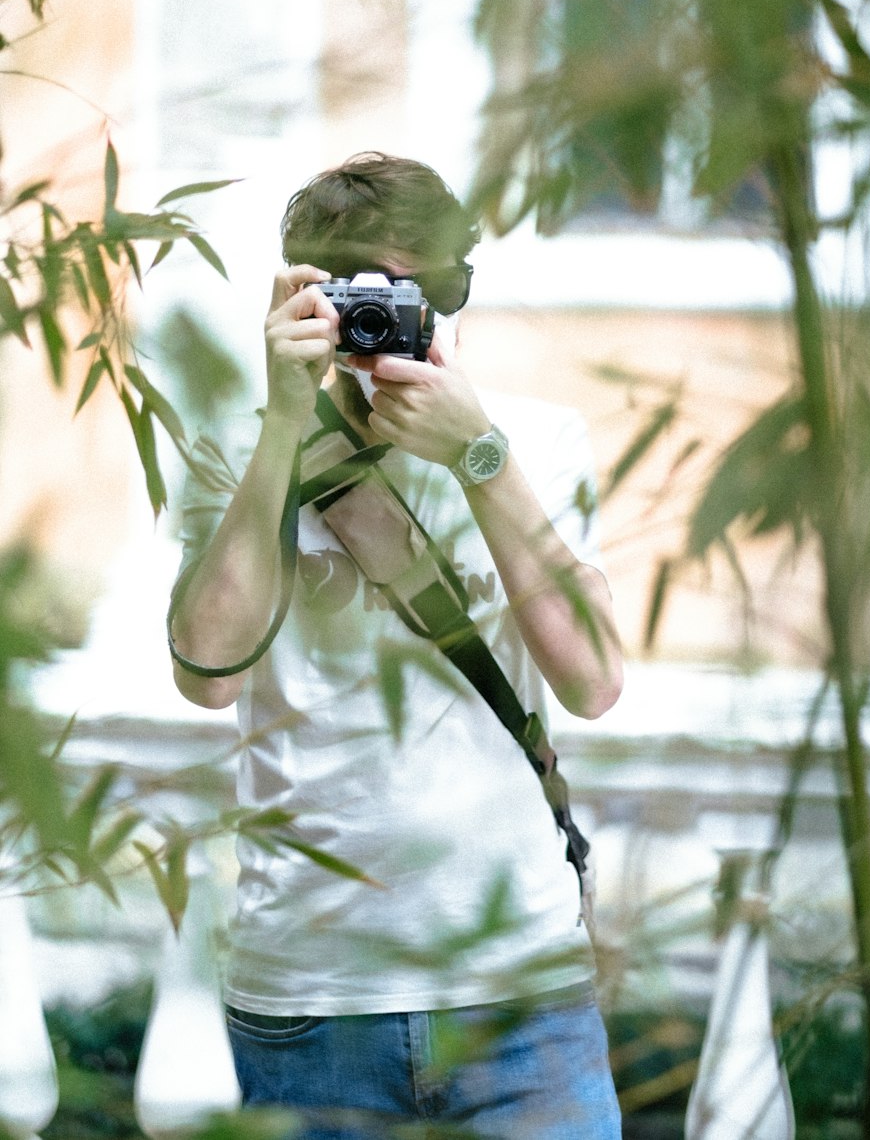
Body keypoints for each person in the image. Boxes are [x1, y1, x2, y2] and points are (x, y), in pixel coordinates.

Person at [168, 152, 624, 1139]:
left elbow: (591, 681)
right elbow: (207, 673)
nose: (390, 314)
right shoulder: (235, 448)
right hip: (312, 993)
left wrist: (478, 457)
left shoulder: (535, 439)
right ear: (302, 297)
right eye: (357, 289)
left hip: (519, 994)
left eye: (421, 286)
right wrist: (283, 433)